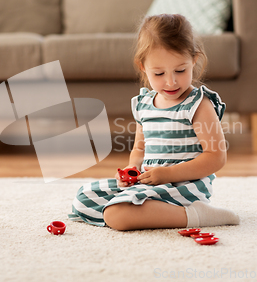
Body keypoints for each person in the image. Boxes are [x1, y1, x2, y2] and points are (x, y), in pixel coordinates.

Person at [68, 14, 239, 230]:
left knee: (116, 214)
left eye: (180, 70)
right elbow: (140, 148)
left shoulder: (198, 104)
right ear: (142, 67)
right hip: (150, 183)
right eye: (159, 73)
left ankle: (197, 215)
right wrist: (132, 170)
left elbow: (216, 157)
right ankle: (146, 209)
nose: (171, 81)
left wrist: (167, 174)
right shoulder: (144, 104)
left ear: (194, 59)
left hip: (184, 187)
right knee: (83, 198)